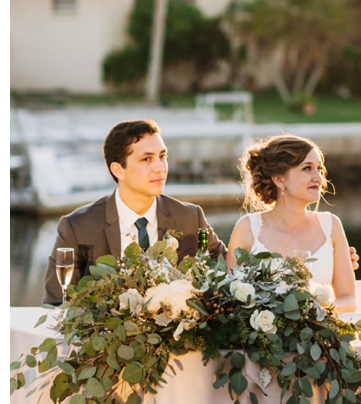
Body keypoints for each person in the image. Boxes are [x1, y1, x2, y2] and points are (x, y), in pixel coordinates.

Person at [43, 119, 226, 305]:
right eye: (147, 159)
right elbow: (56, 304)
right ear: (118, 170)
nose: (160, 168)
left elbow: (226, 275)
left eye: (162, 156)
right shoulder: (77, 227)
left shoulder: (190, 218)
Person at [226, 134, 358, 312]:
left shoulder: (331, 226)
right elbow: (231, 301)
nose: (318, 177)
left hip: (322, 335)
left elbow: (349, 300)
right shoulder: (247, 229)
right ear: (279, 179)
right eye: (307, 168)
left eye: (319, 168)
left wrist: (314, 312)